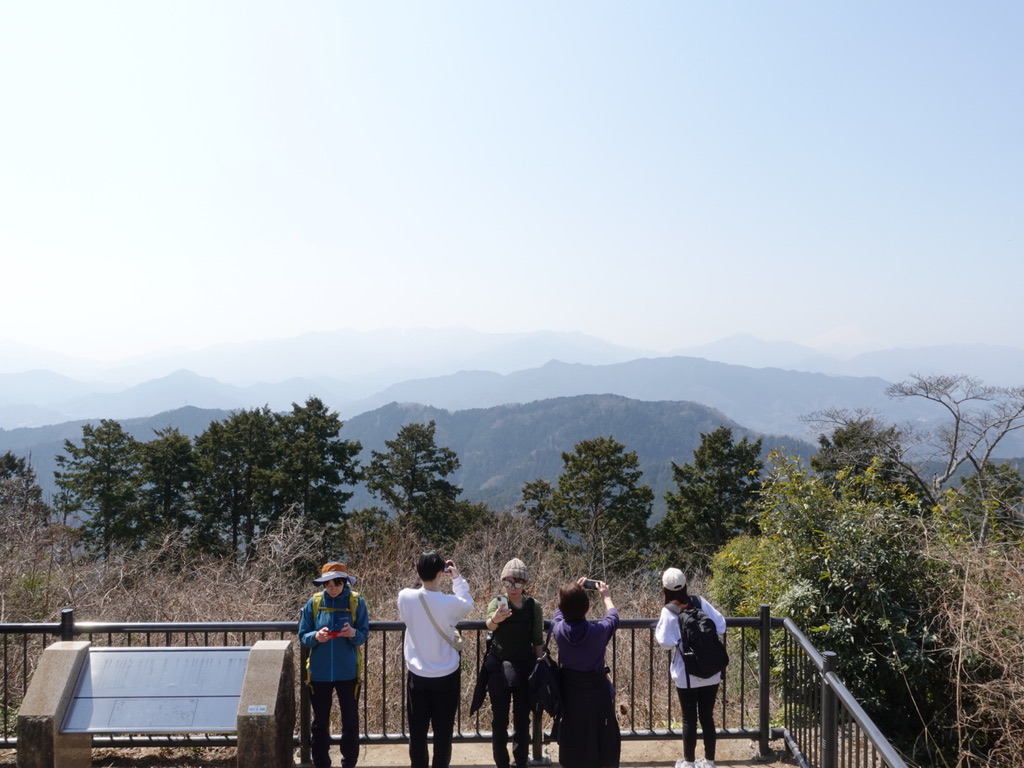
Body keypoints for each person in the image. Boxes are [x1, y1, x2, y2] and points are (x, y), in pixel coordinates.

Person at [397, 551, 474, 768]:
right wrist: (456, 578)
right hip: (446, 675)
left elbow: (409, 609)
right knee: (443, 732)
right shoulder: (450, 603)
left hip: (417, 675)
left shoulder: (405, 596)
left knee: (417, 731)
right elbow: (468, 603)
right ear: (442, 573)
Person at [298, 562, 370, 768]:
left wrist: (352, 633)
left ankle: (349, 763)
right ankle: (321, 763)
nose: (333, 588)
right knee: (320, 722)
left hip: (348, 671)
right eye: (328, 584)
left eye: (337, 583)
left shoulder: (356, 602)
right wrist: (317, 636)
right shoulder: (314, 603)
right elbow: (303, 636)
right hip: (319, 673)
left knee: (350, 720)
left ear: (345, 582)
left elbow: (363, 634)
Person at [654, 568, 727, 768]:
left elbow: (664, 642)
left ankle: (688, 762)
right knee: (707, 717)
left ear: (665, 588)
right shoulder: (700, 601)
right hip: (711, 671)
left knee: (689, 720)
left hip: (686, 674)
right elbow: (721, 625)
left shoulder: (669, 610)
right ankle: (710, 761)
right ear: (686, 584)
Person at [550, 577, 620, 768]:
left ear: (562, 606)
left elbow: (557, 615)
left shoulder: (558, 630)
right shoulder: (597, 632)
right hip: (596, 691)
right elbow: (613, 618)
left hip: (570, 691)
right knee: (599, 731)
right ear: (587, 607)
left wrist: (573, 591)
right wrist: (606, 597)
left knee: (574, 731)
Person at [483, 558, 544, 768]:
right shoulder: (497, 602)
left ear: (525, 584)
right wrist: (496, 619)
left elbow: (537, 638)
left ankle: (521, 761)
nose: (513, 588)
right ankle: (502, 763)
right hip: (499, 668)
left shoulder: (533, 606)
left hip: (524, 668)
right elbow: (488, 625)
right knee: (499, 720)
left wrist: (540, 666)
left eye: (517, 583)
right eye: (508, 583)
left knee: (522, 720)